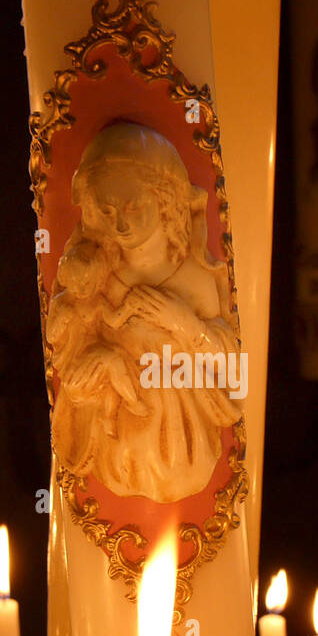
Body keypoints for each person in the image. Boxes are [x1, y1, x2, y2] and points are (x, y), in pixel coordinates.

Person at [46, 123, 240, 503]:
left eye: (134, 206)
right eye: (107, 209)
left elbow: (231, 365)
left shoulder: (193, 276)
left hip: (180, 436)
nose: (121, 223)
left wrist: (182, 322)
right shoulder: (96, 280)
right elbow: (65, 350)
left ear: (164, 199)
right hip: (117, 435)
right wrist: (95, 359)